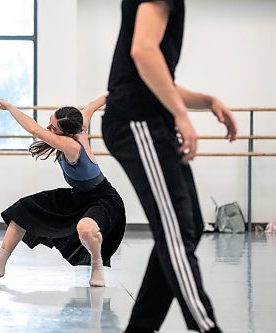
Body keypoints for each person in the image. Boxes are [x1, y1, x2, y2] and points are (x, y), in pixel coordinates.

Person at [102, 0, 238, 332]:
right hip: (137, 122)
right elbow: (144, 53)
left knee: (187, 223)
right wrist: (181, 114)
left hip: (149, 120)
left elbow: (153, 77)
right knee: (177, 232)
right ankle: (208, 327)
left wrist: (206, 101)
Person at [0, 94, 126, 287]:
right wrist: (117, 90)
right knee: (23, 210)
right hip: (77, 197)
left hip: (104, 200)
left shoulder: (71, 145)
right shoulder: (79, 123)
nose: (48, 128)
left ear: (67, 134)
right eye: (50, 122)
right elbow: (91, 105)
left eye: (53, 128)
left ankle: (97, 267)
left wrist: (11, 106)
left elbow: (34, 129)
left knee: (86, 229)